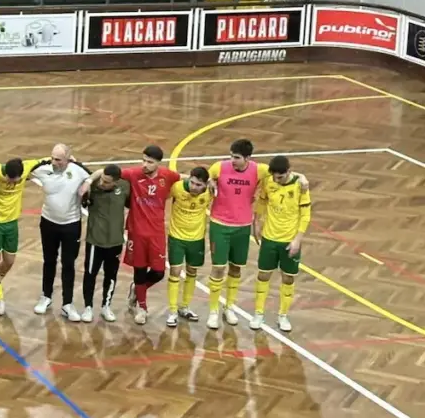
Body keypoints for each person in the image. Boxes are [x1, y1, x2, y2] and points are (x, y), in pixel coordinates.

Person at [205, 139, 308, 329]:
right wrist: (210, 180)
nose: (232, 160)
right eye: (231, 156)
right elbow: (205, 177)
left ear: (247, 158)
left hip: (242, 227)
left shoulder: (259, 170)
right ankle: (213, 311)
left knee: (236, 269)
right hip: (220, 224)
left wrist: (302, 177)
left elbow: (283, 170)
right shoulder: (219, 167)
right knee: (218, 268)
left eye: (236, 157)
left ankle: (229, 307)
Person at [85, 145, 179, 325]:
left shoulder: (167, 176)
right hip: (136, 233)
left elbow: (181, 178)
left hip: (157, 232)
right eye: (143, 160)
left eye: (149, 162)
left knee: (159, 273)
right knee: (140, 271)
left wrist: (210, 180)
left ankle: (137, 289)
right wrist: (89, 181)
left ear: (158, 163)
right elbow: (103, 171)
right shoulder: (134, 174)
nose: (145, 165)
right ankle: (142, 308)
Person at [30, 144, 91, 321]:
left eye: (58, 159)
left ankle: (67, 303)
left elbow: (96, 175)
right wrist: (41, 161)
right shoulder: (43, 169)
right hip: (48, 223)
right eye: (52, 158)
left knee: (68, 263)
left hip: (71, 225)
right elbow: (25, 171)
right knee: (49, 260)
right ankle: (46, 296)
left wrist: (87, 182)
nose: (54, 162)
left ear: (68, 159)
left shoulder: (78, 170)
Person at [251, 156, 311, 332]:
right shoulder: (268, 181)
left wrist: (297, 240)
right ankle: (258, 313)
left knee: (288, 277)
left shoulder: (300, 186)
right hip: (269, 238)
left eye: (280, 177)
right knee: (263, 275)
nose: (276, 180)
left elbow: (306, 215)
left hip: (289, 240)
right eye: (275, 177)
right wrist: (256, 222)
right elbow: (262, 201)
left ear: (289, 172)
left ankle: (283, 315)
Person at [0, 155, 46, 315]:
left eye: (16, 180)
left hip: (12, 223)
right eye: (9, 179)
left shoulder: (26, 167)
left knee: (9, 261)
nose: (12, 183)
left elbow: (46, 160)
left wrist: (71, 160)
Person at [81, 165, 129, 322]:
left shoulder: (125, 187)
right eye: (102, 179)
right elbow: (95, 173)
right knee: (90, 274)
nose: (102, 183)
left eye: (107, 182)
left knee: (111, 276)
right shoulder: (94, 186)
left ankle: (106, 306)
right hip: (95, 241)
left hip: (115, 241)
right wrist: (89, 181)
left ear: (116, 182)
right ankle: (88, 307)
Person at [166, 167, 212, 327]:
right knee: (175, 272)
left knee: (192, 272)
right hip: (176, 237)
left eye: (198, 185)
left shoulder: (210, 192)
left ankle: (184, 307)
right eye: (192, 182)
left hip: (197, 239)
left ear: (205, 185)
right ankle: (172, 311)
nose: (194, 187)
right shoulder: (177, 188)